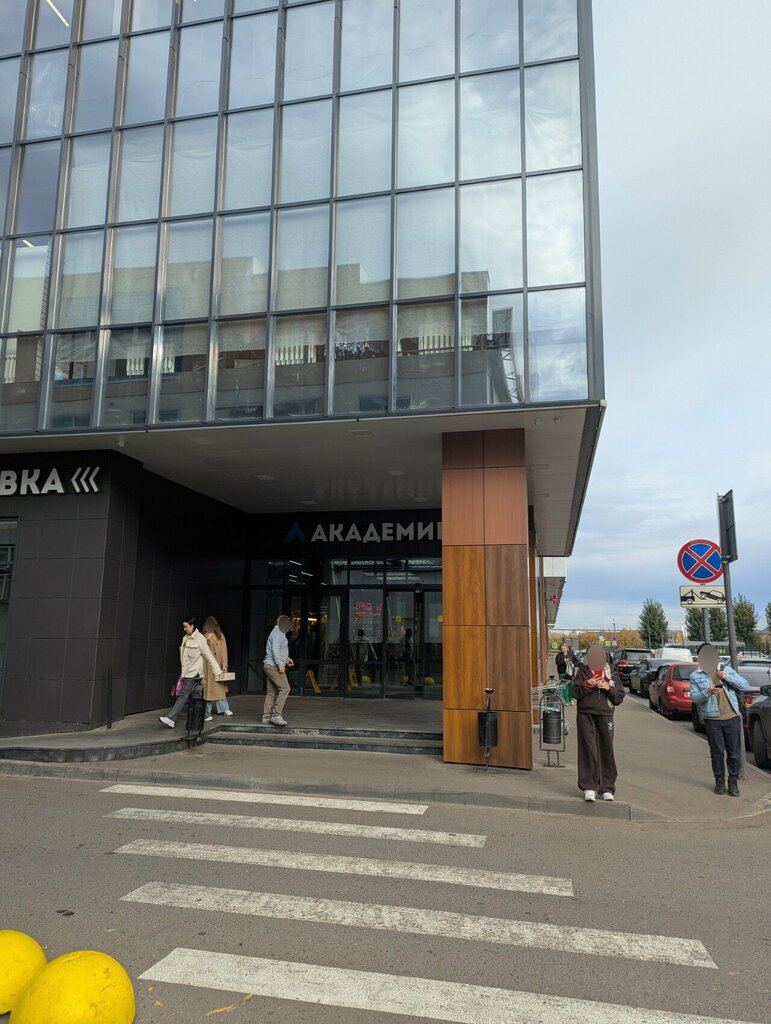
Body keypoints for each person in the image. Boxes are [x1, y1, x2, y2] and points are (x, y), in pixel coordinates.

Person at [689, 644, 750, 796]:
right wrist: (708, 691)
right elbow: (695, 698)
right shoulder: (695, 676)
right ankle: (719, 781)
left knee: (734, 752)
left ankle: (733, 782)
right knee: (716, 753)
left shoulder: (726, 669)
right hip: (712, 719)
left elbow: (745, 685)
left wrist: (727, 677)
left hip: (732, 716)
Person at [571, 643, 625, 802]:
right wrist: (588, 684)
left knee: (606, 750)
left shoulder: (611, 673)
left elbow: (619, 697)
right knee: (589, 749)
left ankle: (607, 788)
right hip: (585, 714)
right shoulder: (582, 671)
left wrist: (608, 687)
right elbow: (575, 692)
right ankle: (589, 786)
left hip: (606, 715)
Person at [160, 616, 222, 728]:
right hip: (187, 671)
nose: (184, 629)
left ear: (192, 626)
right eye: (183, 627)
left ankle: (171, 718)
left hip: (194, 672)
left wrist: (217, 671)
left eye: (186, 627)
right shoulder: (185, 638)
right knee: (196, 694)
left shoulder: (200, 639)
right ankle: (206, 715)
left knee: (183, 694)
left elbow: (209, 656)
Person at [263, 614, 294, 726]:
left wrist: (286, 659)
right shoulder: (278, 633)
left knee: (271, 692)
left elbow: (278, 650)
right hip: (274, 666)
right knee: (285, 688)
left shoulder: (276, 632)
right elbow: (275, 650)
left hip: (269, 665)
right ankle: (276, 715)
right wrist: (281, 664)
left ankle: (266, 717)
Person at [202, 616, 232, 722]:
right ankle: (206, 712)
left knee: (219, 688)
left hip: (217, 666)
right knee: (207, 690)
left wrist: (225, 665)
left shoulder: (220, 636)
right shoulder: (203, 636)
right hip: (206, 667)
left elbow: (224, 651)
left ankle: (224, 709)